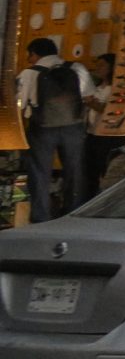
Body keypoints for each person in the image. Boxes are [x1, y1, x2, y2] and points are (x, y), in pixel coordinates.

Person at [17, 37, 98, 221]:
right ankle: (73, 214)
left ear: (34, 54)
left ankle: (41, 217)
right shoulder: (77, 69)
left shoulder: (29, 73)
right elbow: (89, 97)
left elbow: (19, 105)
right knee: (75, 172)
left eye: (30, 56)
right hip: (73, 128)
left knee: (39, 173)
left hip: (42, 128)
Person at [83, 53, 125, 198]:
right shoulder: (97, 86)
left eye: (102, 65)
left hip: (108, 136)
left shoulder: (116, 89)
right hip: (92, 133)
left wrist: (91, 102)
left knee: (105, 168)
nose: (98, 68)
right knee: (91, 170)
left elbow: (109, 110)